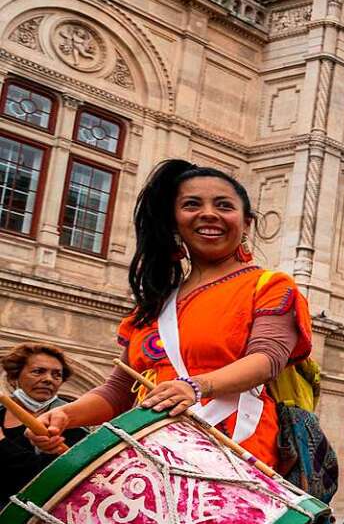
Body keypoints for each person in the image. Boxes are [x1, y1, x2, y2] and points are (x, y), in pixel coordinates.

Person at [28, 160, 313, 468]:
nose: (208, 213)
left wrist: (196, 386)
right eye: (191, 204)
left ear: (247, 224)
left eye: (224, 205)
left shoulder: (269, 285)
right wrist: (63, 415)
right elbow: (118, 392)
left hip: (233, 448)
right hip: (151, 454)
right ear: (173, 222)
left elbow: (267, 360)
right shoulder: (155, 302)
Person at [1, 343, 88, 501]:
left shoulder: (70, 422)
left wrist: (2, 443)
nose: (48, 379)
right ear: (14, 376)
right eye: (38, 371)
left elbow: (48, 479)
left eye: (56, 375)